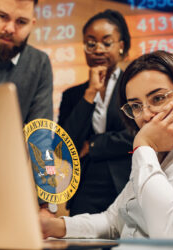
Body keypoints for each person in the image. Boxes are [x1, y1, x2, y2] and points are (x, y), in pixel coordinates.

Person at [41, 50, 173, 239]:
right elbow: (113, 221)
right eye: (136, 106)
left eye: (158, 98)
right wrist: (54, 226)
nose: (145, 115)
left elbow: (172, 230)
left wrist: (144, 146)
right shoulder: (154, 157)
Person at [57, 9, 133, 216]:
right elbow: (63, 143)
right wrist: (89, 95)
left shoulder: (134, 87)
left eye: (106, 43)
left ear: (121, 47)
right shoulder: (73, 95)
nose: (98, 49)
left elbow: (136, 135)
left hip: (126, 182)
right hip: (84, 185)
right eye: (91, 43)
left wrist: (92, 145)